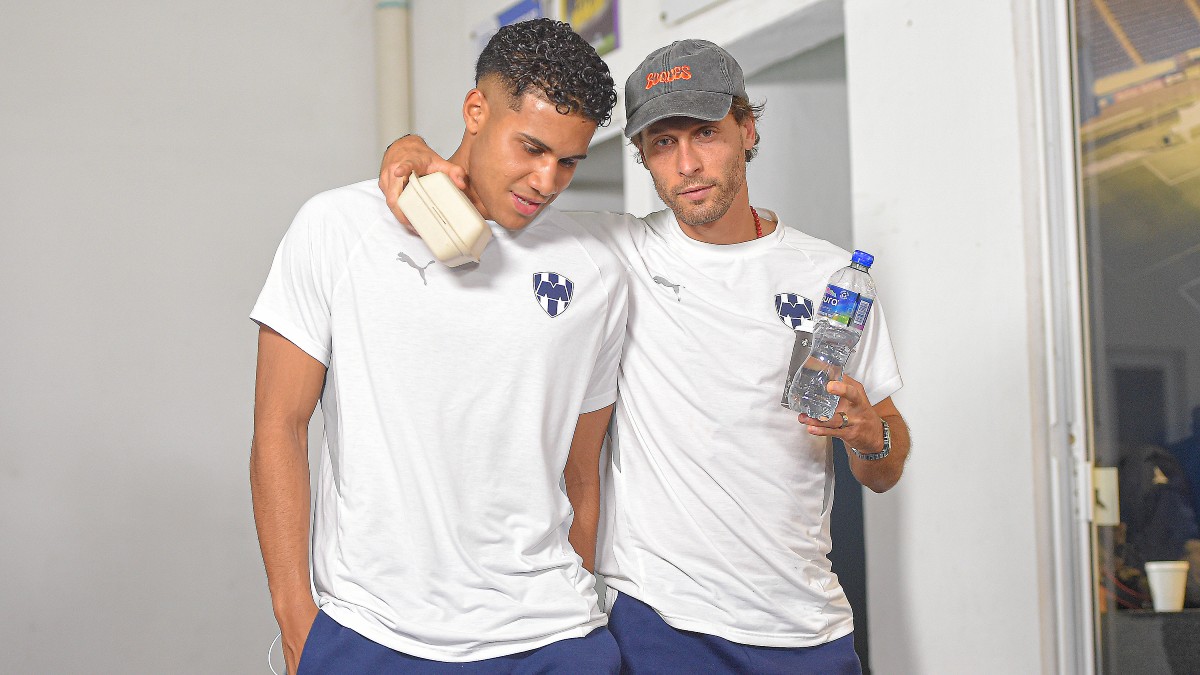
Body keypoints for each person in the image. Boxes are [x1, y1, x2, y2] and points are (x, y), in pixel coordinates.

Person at [380, 39, 911, 674]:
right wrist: (410, 148)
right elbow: (487, 192)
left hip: (806, 626)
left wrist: (869, 435)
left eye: (706, 133)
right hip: (658, 623)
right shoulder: (613, 252)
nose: (687, 164)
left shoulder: (834, 278)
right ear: (643, 156)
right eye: (663, 143)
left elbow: (884, 468)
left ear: (746, 129)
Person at [250, 19, 626, 674]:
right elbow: (278, 426)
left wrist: (580, 591)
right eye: (532, 147)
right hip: (372, 632)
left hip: (553, 635)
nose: (547, 180)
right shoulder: (338, 227)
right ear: (476, 110)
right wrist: (295, 620)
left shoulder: (596, 268)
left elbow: (582, 468)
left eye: (569, 161)